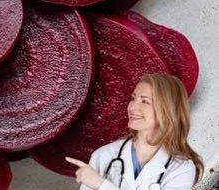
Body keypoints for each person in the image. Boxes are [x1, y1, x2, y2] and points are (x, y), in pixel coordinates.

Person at [65, 73, 203, 190]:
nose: (132, 107)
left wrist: (101, 184)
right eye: (133, 98)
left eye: (144, 101)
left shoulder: (181, 169)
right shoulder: (103, 156)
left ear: (167, 110)